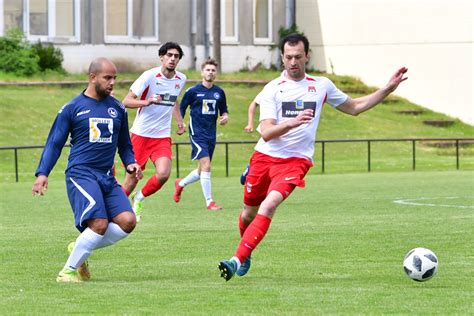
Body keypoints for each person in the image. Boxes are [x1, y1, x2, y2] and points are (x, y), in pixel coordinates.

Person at [218, 33, 408, 281]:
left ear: (307, 56)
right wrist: (293, 122)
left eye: (298, 56)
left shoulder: (322, 86)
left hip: (296, 161)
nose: (293, 62)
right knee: (247, 214)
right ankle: (247, 249)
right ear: (282, 58)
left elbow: (355, 107)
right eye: (288, 57)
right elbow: (266, 132)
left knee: (270, 204)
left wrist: (386, 89)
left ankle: (236, 259)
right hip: (264, 158)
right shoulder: (272, 89)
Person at [32, 57, 143, 282]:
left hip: (106, 176)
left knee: (128, 221)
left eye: (115, 78)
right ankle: (67, 272)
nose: (112, 82)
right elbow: (54, 143)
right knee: (99, 224)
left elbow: (124, 145)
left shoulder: (118, 109)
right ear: (93, 78)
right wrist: (42, 173)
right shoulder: (72, 108)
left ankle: (80, 246)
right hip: (81, 174)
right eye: (107, 78)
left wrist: (130, 162)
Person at [121, 42, 187, 221]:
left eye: (176, 56)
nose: (173, 59)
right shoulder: (149, 76)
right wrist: (146, 102)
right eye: (170, 55)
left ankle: (139, 197)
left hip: (162, 136)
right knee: (131, 181)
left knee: (164, 173)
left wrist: (180, 122)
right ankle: (113, 210)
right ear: (162, 57)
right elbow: (126, 101)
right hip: (140, 135)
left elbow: (174, 100)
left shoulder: (181, 79)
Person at [173, 59, 229, 210]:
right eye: (207, 70)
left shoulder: (219, 92)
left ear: (215, 73)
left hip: (211, 134)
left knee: (201, 170)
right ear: (202, 72)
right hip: (197, 134)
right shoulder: (192, 91)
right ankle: (209, 202)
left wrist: (225, 117)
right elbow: (181, 108)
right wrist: (180, 124)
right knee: (207, 165)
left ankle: (180, 183)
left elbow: (223, 110)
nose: (210, 72)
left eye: (213, 70)